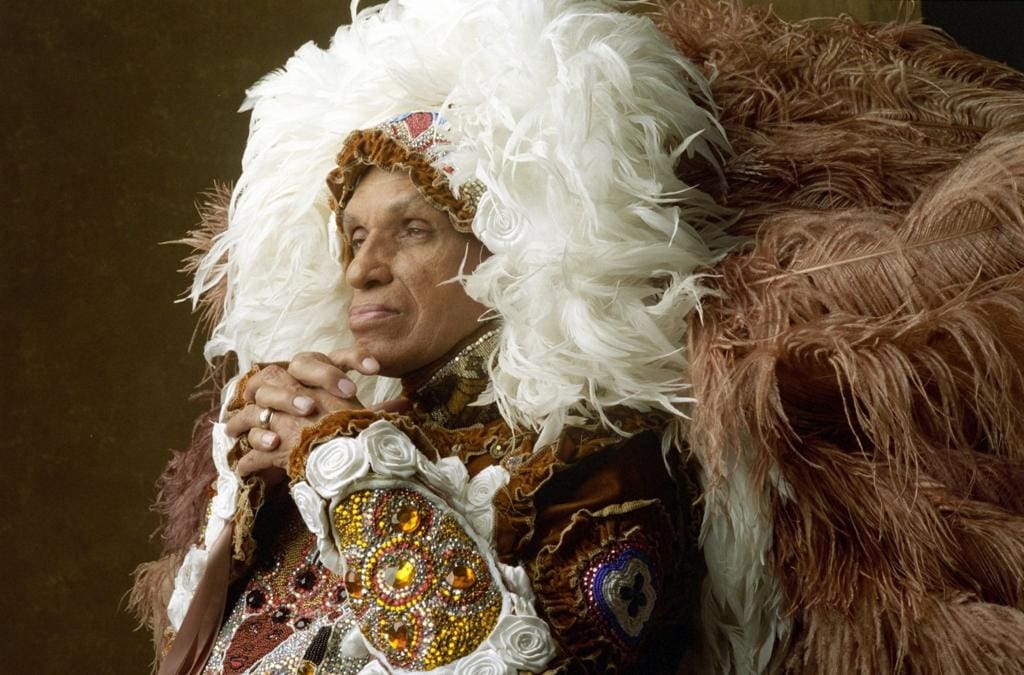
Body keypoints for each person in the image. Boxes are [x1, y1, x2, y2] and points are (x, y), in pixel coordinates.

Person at [134, 1, 1024, 673]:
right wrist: (252, 489)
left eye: (413, 230)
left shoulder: (603, 463)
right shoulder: (334, 436)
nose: (363, 267)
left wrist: (341, 462)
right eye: (354, 235)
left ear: (507, 251)